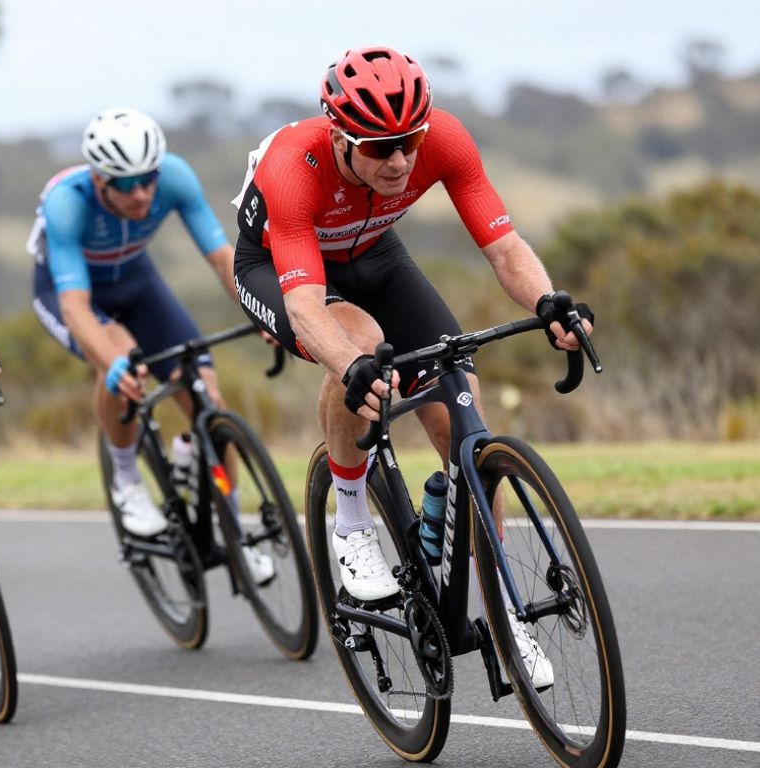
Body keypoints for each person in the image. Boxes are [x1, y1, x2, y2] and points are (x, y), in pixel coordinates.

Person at [233, 47, 594, 688]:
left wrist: (548, 303)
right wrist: (355, 367)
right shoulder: (296, 166)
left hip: (375, 252)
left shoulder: (445, 140)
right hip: (279, 266)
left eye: (409, 141)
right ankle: (350, 520)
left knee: (465, 426)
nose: (399, 160)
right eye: (378, 148)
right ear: (342, 137)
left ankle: (510, 616)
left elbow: (505, 248)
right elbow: (307, 308)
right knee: (363, 346)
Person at [29, 107, 273, 584]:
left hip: (139, 284)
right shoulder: (67, 203)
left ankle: (233, 529)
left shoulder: (177, 177)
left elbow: (224, 258)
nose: (140, 194)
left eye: (148, 180)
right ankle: (126, 479)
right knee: (118, 356)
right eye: (124, 184)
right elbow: (76, 308)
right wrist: (112, 364)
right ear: (99, 180)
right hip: (69, 295)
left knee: (208, 401)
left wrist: (265, 312)